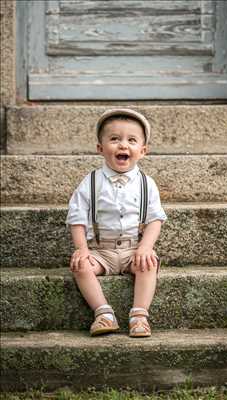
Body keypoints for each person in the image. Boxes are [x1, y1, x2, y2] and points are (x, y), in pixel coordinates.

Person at [66, 109, 167, 337]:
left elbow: (155, 219)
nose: (123, 145)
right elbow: (77, 217)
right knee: (80, 265)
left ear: (142, 151)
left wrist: (146, 247)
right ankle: (103, 313)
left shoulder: (146, 183)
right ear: (100, 148)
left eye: (131, 140)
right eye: (114, 139)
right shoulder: (90, 182)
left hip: (133, 249)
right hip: (100, 251)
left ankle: (139, 315)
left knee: (149, 263)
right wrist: (82, 249)